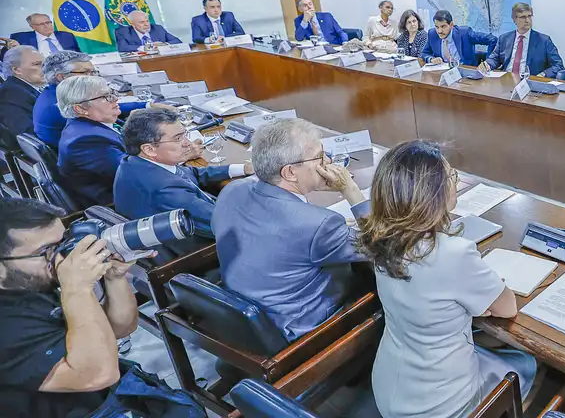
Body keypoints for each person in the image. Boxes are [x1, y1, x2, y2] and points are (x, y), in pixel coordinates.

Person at [0, 198, 180, 418]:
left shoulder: (29, 284)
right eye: (47, 252)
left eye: (63, 242)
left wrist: (115, 277)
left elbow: (118, 329)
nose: (63, 258)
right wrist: (76, 289)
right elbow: (99, 373)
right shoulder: (8, 325)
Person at [356, 140, 535, 418]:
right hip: (438, 413)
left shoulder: (379, 236)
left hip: (389, 390)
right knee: (527, 363)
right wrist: (485, 296)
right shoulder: (451, 253)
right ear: (430, 195)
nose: (456, 184)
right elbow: (507, 307)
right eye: (452, 178)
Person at [212, 119, 370, 341]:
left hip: (243, 315)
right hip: (301, 327)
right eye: (320, 156)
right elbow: (382, 246)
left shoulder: (233, 190)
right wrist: (350, 189)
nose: (328, 162)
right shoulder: (318, 225)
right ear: (290, 172)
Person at [115, 107, 250, 253]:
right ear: (149, 149)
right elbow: (227, 223)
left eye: (185, 135)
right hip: (199, 253)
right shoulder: (164, 189)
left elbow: (192, 173)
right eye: (178, 138)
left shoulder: (136, 163)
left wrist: (244, 168)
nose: (187, 143)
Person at [34, 51, 148, 149]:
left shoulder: (54, 94)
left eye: (93, 72)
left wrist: (147, 105)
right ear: (61, 77)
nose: (94, 77)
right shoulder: (57, 105)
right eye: (86, 73)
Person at [56, 76, 127, 207]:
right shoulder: (86, 141)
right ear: (80, 109)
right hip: (119, 204)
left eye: (112, 93)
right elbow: (134, 172)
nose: (116, 99)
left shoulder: (92, 125)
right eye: (106, 97)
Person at [479, 3, 564, 78]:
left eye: (529, 16)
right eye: (523, 17)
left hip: (529, 82)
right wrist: (487, 65)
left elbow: (558, 65)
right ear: (515, 20)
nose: (527, 20)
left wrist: (543, 75)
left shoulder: (544, 41)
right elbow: (494, 59)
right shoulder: (504, 38)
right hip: (506, 80)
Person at [0, 46, 45, 140]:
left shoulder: (22, 88)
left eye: (44, 64)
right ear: (16, 70)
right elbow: (28, 135)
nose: (45, 69)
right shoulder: (10, 94)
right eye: (37, 64)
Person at [422, 10, 496, 66]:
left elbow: (492, 39)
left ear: (451, 25)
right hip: (443, 74)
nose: (439, 31)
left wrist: (488, 62)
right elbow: (424, 53)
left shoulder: (465, 33)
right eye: (437, 27)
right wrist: (431, 59)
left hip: (465, 73)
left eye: (443, 26)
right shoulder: (432, 34)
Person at [9, 13, 81, 55]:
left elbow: (78, 55)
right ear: (32, 27)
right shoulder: (21, 38)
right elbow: (9, 59)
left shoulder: (67, 36)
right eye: (41, 24)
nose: (46, 26)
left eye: (48, 22)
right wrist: (15, 49)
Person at [114, 11, 182, 53]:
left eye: (147, 21)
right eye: (141, 22)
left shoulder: (157, 28)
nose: (146, 24)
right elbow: (122, 47)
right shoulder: (123, 32)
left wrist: (164, 44)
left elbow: (177, 41)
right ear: (132, 24)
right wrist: (147, 47)